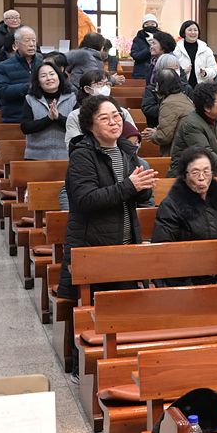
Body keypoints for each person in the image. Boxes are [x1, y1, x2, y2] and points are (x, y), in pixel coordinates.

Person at [56, 95, 157, 301]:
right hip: (94, 246)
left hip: (126, 244)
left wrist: (144, 187)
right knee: (98, 307)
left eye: (116, 116)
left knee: (127, 307)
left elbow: (132, 196)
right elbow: (85, 199)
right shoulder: (82, 155)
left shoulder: (126, 151)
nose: (113, 122)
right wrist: (130, 186)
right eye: (104, 118)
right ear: (90, 126)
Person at [151, 146, 217, 251]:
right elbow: (163, 248)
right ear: (184, 175)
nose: (201, 178)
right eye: (195, 173)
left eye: (206, 171)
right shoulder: (171, 206)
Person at [20, 60, 78, 160]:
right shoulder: (30, 99)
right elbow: (25, 127)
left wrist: (58, 117)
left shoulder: (72, 98)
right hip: (36, 155)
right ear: (38, 82)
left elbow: (78, 126)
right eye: (43, 76)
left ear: (59, 77)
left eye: (52, 74)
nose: (49, 78)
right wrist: (48, 119)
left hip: (67, 155)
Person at [0, 26, 40, 123]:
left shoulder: (43, 62)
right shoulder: (4, 66)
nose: (32, 44)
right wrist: (29, 87)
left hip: (40, 116)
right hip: (15, 117)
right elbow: (2, 90)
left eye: (34, 41)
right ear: (16, 45)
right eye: (27, 41)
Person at [145, 60, 194, 152]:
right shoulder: (184, 97)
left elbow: (164, 136)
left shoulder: (168, 104)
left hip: (178, 151)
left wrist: (154, 134)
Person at [168, 19, 217, 85]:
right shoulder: (176, 49)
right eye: (190, 30)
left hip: (201, 86)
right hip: (182, 85)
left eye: (195, 30)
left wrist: (206, 72)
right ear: (183, 32)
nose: (193, 32)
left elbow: (213, 69)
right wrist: (183, 72)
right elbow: (170, 71)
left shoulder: (206, 49)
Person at [128, 13, 162, 79]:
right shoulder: (138, 39)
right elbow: (135, 55)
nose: (150, 26)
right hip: (141, 73)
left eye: (153, 24)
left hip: (158, 72)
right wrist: (149, 49)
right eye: (147, 24)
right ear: (143, 25)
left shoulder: (161, 37)